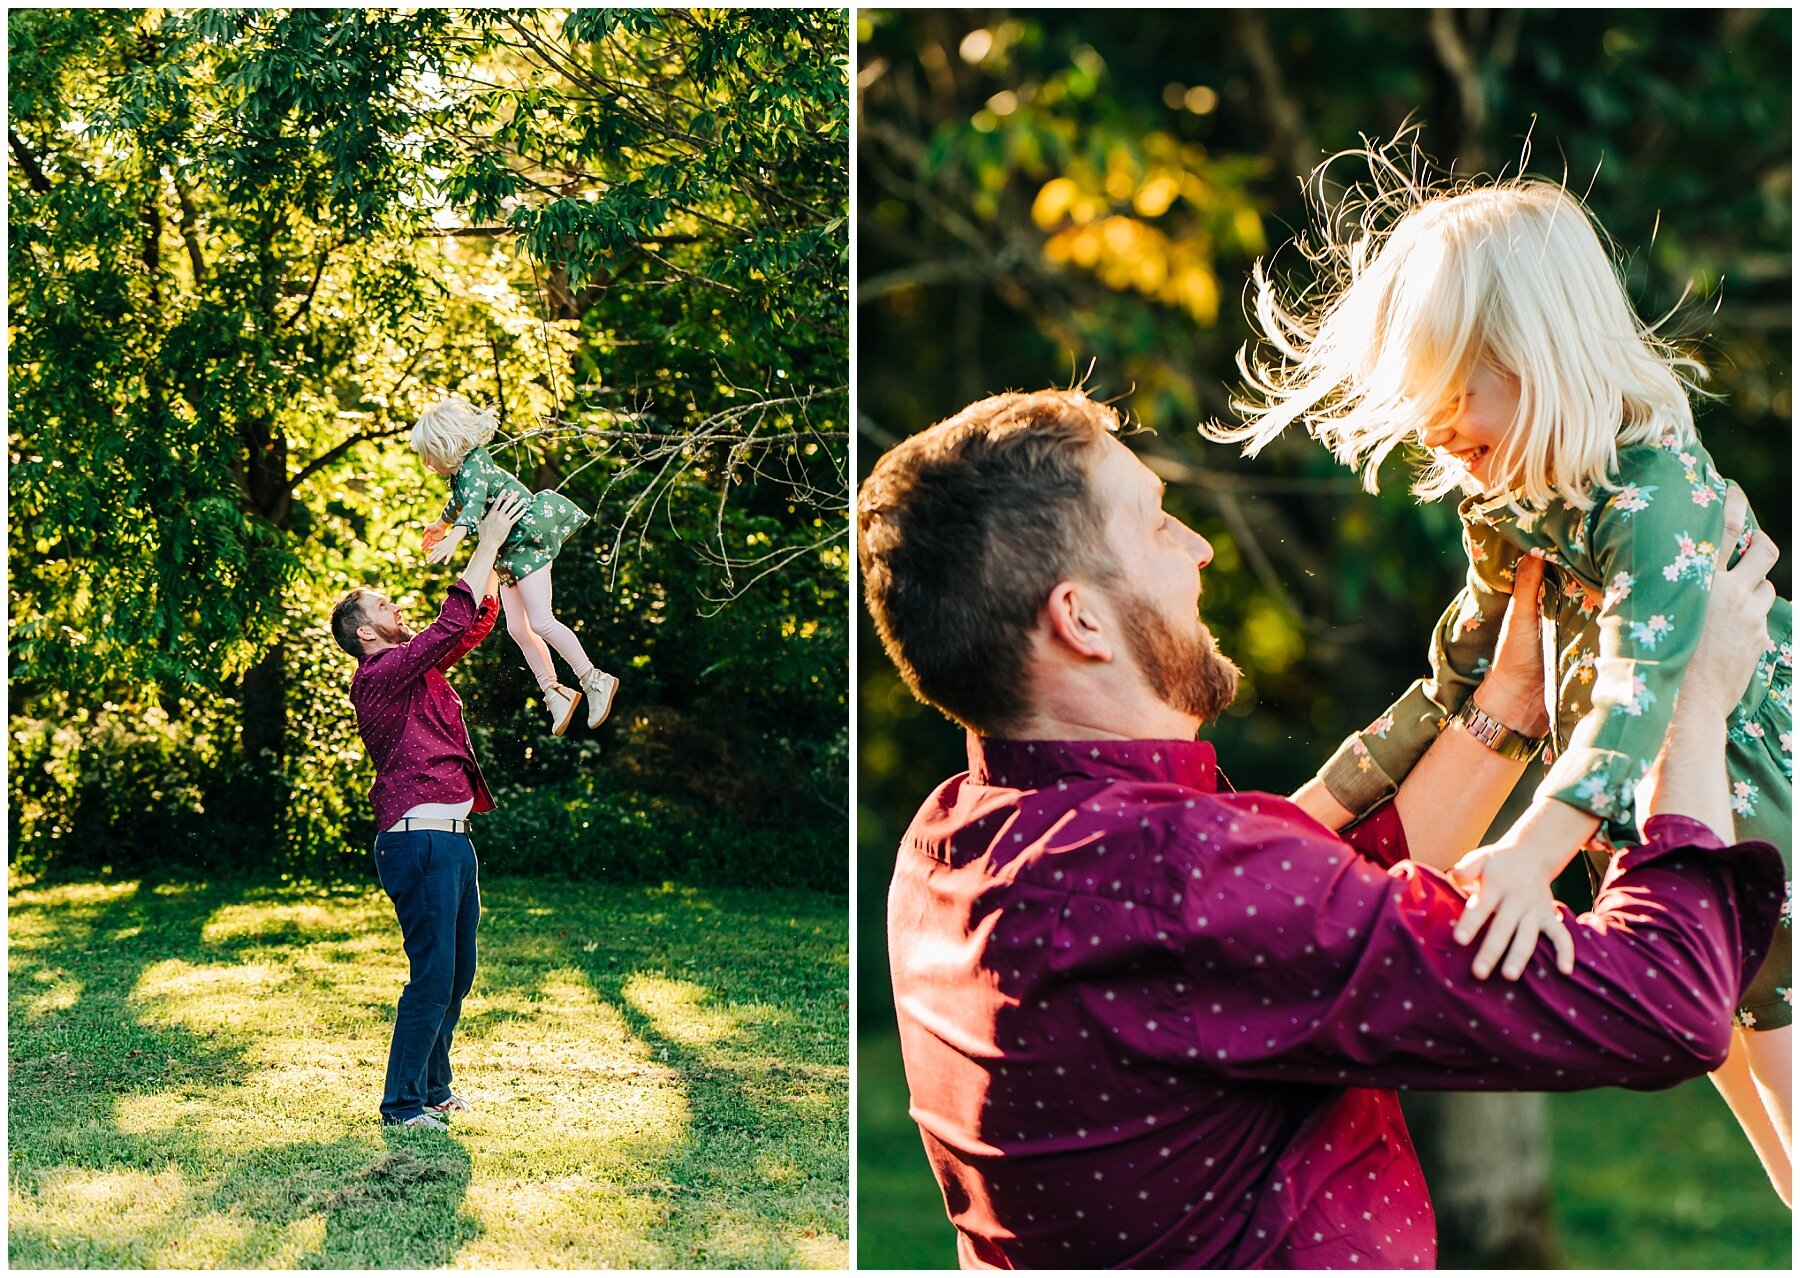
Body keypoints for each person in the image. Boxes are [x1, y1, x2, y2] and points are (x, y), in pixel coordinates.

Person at [857, 389, 1785, 1267]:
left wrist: (1505, 704)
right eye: (1154, 525)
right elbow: (1666, 999)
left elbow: (1327, 904)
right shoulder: (1178, 881)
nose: (1198, 550)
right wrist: (1689, 708)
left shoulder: (950, 845)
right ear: (1083, 620)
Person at [1213, 158, 1792, 1199]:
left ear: (1536, 356)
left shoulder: (1656, 492)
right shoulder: (1519, 501)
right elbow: (1454, 683)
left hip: (1765, 837)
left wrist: (1528, 852)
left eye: (1446, 389)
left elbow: (1640, 688)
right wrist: (1294, 819)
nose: (1430, 429)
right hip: (1683, 837)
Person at [330, 489, 528, 1129]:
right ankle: (401, 1105)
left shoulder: (418, 672)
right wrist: (487, 541)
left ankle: (435, 1088)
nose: (395, 608)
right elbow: (447, 624)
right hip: (418, 842)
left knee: (458, 973)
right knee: (432, 976)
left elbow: (467, 625)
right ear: (367, 633)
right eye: (383, 606)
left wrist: (497, 563)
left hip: (453, 840)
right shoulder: (378, 675)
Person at [414, 395, 620, 736]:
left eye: (428, 456)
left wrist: (455, 536)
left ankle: (593, 678)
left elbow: (474, 503)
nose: (426, 464)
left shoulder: (476, 467)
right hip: (510, 554)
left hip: (527, 542)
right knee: (517, 629)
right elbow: (460, 501)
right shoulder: (464, 475)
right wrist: (440, 524)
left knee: (541, 620)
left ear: (444, 446)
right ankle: (555, 692)